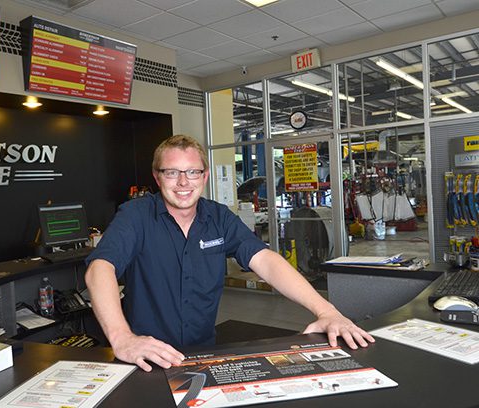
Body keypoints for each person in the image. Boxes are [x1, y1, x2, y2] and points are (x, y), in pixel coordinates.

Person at [85, 134, 374, 372]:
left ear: (205, 175)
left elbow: (266, 261)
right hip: (144, 359)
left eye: (193, 172)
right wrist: (122, 338)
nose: (183, 183)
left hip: (205, 356)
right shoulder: (136, 215)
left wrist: (327, 311)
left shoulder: (219, 218)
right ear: (157, 177)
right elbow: (100, 267)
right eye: (172, 173)